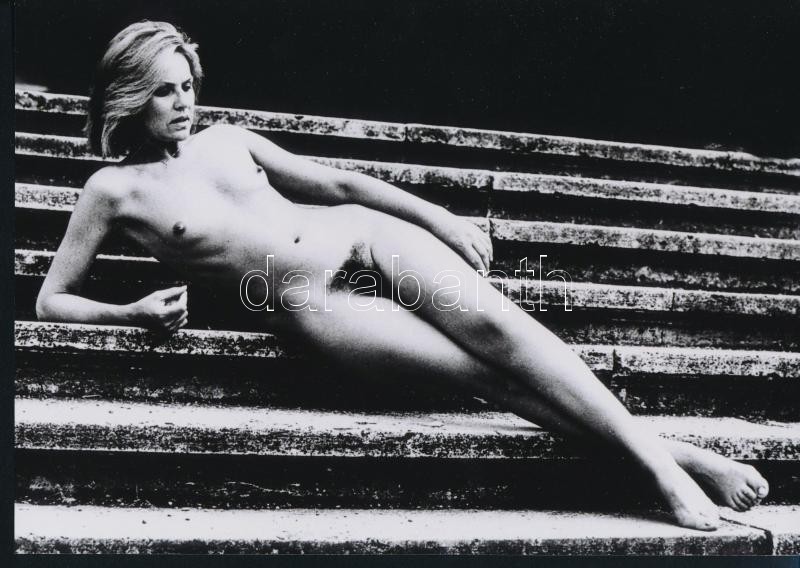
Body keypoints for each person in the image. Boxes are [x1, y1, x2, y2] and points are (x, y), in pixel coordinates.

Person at [36, 20, 769, 531]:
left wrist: (439, 218)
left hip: (364, 238)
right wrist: (129, 314)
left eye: (187, 85)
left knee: (506, 329)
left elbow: (341, 185)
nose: (183, 103)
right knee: (492, 379)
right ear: (129, 95)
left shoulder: (228, 139)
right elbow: (51, 299)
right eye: (164, 91)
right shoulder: (112, 191)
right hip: (312, 301)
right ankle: (674, 457)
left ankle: (663, 472)